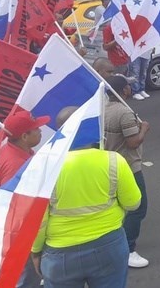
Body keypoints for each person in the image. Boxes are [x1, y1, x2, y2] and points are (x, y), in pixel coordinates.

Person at [31, 108, 142, 288]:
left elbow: (39, 221)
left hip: (61, 253)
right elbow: (133, 203)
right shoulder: (114, 160)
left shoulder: (45, 168)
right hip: (109, 244)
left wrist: (36, 252)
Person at [0, 111, 48, 288]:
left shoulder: (18, 150)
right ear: (24, 136)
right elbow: (14, 205)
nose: (41, 131)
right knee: (25, 275)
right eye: (36, 129)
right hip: (18, 229)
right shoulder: (15, 165)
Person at [103, 75, 151, 269]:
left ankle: (116, 244)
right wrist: (144, 129)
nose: (131, 89)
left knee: (119, 208)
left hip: (109, 164)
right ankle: (129, 250)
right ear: (123, 90)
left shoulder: (104, 109)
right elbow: (132, 142)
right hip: (128, 166)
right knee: (138, 207)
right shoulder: (123, 112)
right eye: (128, 87)